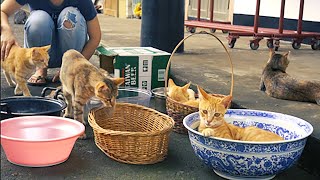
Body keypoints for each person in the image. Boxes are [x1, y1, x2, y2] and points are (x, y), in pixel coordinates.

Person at [1, 0, 101, 85]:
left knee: (70, 14)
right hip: (40, 56)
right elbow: (2, 11)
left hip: (70, 53)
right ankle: (40, 70)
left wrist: (76, 66)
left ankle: (69, 68)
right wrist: (5, 30)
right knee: (38, 18)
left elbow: (95, 37)